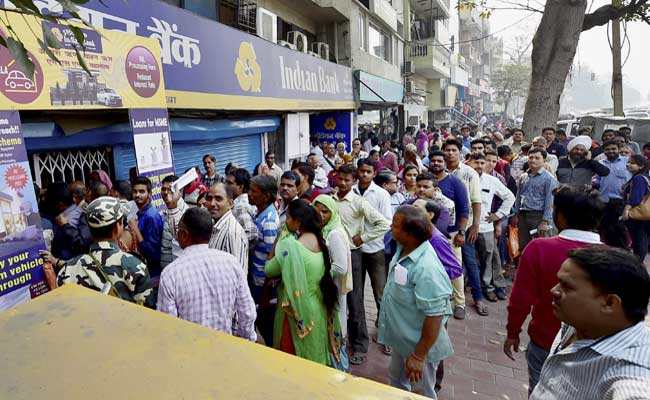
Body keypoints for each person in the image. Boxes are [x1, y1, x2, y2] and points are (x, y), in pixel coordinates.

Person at [505, 185, 604, 394]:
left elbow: (520, 299)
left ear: (560, 216)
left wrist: (513, 332)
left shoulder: (539, 248)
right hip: (594, 351)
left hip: (545, 342)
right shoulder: (613, 256)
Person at [530, 246, 650, 399]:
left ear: (609, 303)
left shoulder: (631, 374)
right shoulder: (577, 322)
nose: (554, 290)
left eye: (567, 286)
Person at [377, 205, 454, 399]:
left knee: (420, 393)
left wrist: (419, 356)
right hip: (402, 340)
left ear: (409, 234)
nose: (390, 227)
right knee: (397, 385)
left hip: (418, 347)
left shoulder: (426, 268)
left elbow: (435, 316)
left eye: (395, 226)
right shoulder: (405, 247)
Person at [157, 207, 256, 340]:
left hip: (188, 352)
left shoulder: (171, 274)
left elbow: (168, 327)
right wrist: (245, 339)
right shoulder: (231, 263)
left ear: (184, 234)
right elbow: (247, 313)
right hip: (224, 347)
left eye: (179, 230)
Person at [264, 199, 342, 367]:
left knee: (292, 361)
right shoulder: (319, 241)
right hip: (317, 308)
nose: (286, 221)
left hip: (296, 312)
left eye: (289, 218)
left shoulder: (291, 246)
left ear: (298, 222)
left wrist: (278, 238)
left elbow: (269, 270)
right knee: (313, 357)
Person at [334, 163, 390, 366]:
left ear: (353, 181)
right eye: (340, 179)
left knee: (355, 300)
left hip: (354, 254)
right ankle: (339, 337)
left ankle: (359, 345)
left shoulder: (358, 201)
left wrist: (363, 238)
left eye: (347, 180)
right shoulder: (331, 199)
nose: (342, 183)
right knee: (337, 298)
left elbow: (384, 223)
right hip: (334, 255)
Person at [57, 196, 155, 307]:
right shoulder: (136, 267)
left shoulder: (67, 270)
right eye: (121, 222)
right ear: (116, 228)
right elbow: (148, 312)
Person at [443, 139, 487, 317]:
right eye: (447, 150)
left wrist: (475, 226)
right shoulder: (439, 172)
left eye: (454, 150)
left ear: (460, 153)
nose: (450, 153)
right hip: (442, 227)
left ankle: (476, 299)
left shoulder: (469, 173)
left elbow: (476, 201)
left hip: (464, 226)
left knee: (465, 262)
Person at [467, 153, 515, 302]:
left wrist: (498, 215)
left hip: (485, 226)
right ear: (469, 163)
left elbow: (510, 197)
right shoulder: (461, 178)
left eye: (482, 163)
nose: (479, 165)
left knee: (487, 259)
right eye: (476, 162)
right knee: (465, 260)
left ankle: (487, 288)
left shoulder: (492, 181)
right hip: (465, 226)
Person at [428, 150, 469, 319]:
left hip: (451, 234)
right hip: (428, 234)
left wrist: (461, 232)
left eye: (439, 161)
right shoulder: (426, 181)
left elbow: (464, 209)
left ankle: (459, 303)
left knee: (455, 268)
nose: (436, 163)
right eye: (433, 161)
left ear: (445, 163)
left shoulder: (455, 183)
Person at [355, 158, 392, 331]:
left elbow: (387, 223)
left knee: (380, 291)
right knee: (356, 291)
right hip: (354, 250)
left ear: (374, 173)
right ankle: (358, 328)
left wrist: (364, 237)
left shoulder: (381, 194)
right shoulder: (351, 191)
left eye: (368, 172)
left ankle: (384, 327)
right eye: (362, 171)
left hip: (375, 248)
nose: (364, 174)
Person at [312, 195, 353, 343]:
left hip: (333, 285)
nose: (321, 216)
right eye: (317, 211)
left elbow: (340, 267)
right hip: (327, 285)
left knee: (336, 316)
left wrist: (318, 273)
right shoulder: (322, 230)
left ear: (332, 213)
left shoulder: (334, 233)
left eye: (325, 212)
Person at [249, 174, 280, 346]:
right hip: (258, 280)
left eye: (254, 191)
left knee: (265, 323)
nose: (249, 194)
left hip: (263, 284)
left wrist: (266, 292)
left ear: (266, 196)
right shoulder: (259, 213)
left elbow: (271, 258)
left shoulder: (268, 221)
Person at [512, 148, 559, 252]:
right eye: (531, 157)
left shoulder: (549, 179)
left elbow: (550, 202)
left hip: (539, 215)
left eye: (537, 158)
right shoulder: (523, 176)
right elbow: (518, 196)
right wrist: (516, 214)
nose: (533, 160)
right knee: (524, 245)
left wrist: (545, 221)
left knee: (541, 246)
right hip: (523, 215)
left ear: (543, 160)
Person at [595, 140, 631, 248]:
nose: (611, 151)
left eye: (613, 149)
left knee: (619, 230)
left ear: (618, 149)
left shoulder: (627, 162)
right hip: (603, 200)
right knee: (603, 228)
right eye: (608, 149)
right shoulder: (600, 163)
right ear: (604, 151)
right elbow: (597, 180)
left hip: (620, 201)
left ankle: (623, 253)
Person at [205, 183, 249, 269]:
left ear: (230, 203)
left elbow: (238, 274)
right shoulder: (216, 226)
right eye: (209, 198)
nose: (212, 203)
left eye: (218, 199)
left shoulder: (233, 232)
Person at [131, 176, 164, 276]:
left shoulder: (151, 216)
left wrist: (136, 230)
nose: (137, 195)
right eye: (135, 191)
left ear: (149, 194)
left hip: (152, 273)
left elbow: (152, 253)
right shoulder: (140, 213)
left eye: (142, 191)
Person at [622, 154, 650, 260]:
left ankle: (638, 264)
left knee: (639, 242)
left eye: (632, 163)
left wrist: (627, 209)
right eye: (628, 162)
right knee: (642, 241)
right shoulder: (644, 177)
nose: (628, 165)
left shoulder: (638, 178)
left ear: (641, 166)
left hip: (637, 215)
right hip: (643, 216)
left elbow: (636, 198)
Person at [226, 168, 259, 247]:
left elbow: (252, 233)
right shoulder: (245, 201)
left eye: (229, 183)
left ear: (240, 187)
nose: (226, 186)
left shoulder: (240, 207)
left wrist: (235, 248)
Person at [160, 175, 185, 269]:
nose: (166, 193)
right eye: (163, 189)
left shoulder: (183, 214)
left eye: (170, 189)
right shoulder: (168, 211)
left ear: (179, 191)